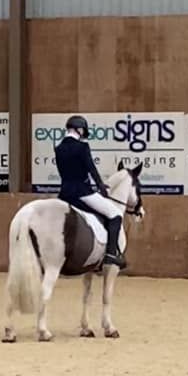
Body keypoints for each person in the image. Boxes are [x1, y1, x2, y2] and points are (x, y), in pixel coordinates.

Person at [54, 115, 126, 269]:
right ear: (79, 129)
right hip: (83, 193)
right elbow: (91, 168)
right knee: (115, 214)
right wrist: (101, 186)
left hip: (65, 194)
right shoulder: (82, 147)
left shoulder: (59, 149)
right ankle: (111, 255)